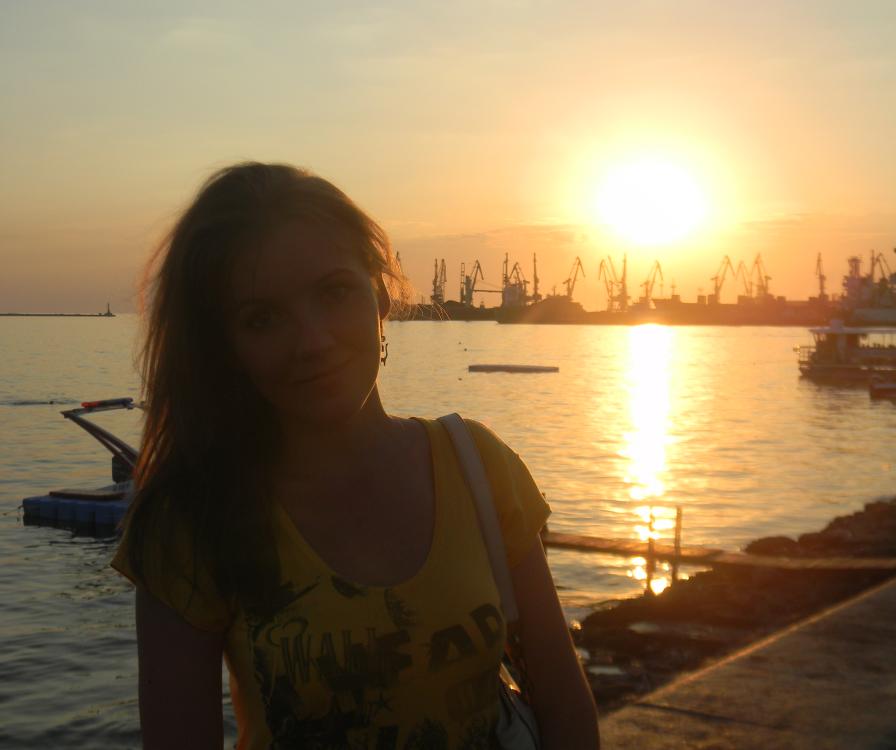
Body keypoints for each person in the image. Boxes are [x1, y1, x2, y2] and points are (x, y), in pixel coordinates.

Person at [111, 162, 600, 750]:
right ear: (224, 345)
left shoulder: (479, 467)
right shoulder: (190, 526)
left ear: (381, 294)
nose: (313, 342)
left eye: (334, 292)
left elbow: (565, 705)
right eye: (262, 319)